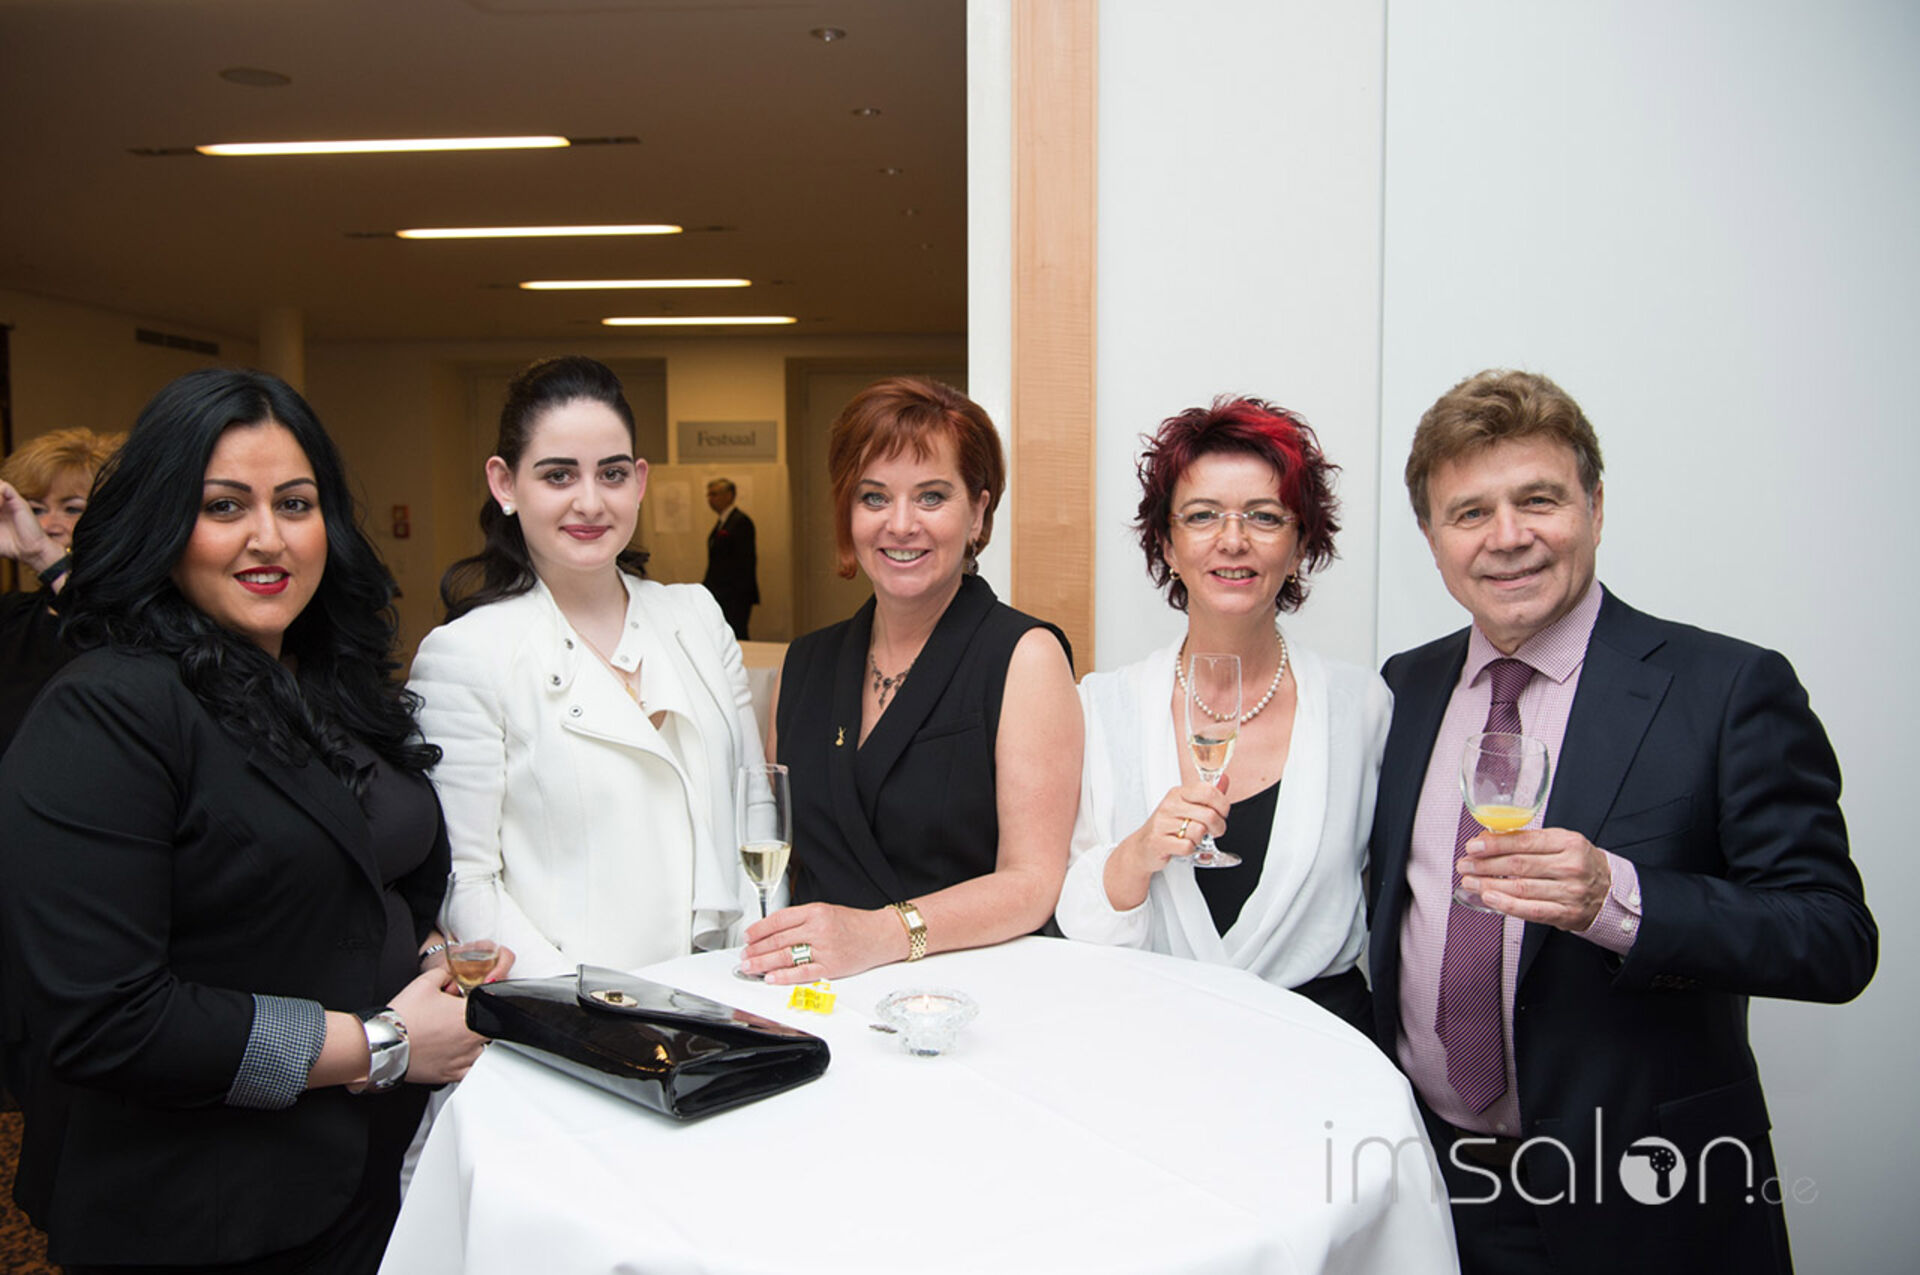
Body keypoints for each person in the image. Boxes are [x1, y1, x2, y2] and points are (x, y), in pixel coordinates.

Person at [1366, 369, 1876, 1274]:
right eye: (1470, 512)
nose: (1508, 536)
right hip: (1427, 1184)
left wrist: (1619, 898)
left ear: (1595, 508)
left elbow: (1833, 938)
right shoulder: (1403, 686)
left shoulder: (1727, 689)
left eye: (1539, 499)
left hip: (1647, 1195)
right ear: (1432, 539)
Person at [0, 368, 490, 1272]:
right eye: (224, 506)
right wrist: (381, 1043)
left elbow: (356, 873)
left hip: (374, 1175)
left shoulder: (331, 684)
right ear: (160, 524)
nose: (269, 537)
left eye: (294, 503)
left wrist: (427, 952)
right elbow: (111, 1018)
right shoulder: (107, 710)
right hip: (208, 1207)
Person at [410, 355, 763, 980]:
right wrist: (586, 1009)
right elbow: (467, 884)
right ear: (504, 484)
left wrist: (758, 968)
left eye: (612, 473)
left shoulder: (697, 617)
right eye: (558, 475)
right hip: (573, 1007)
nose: (591, 502)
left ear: (640, 481)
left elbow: (756, 806)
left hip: (729, 992)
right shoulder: (467, 655)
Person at [1057, 397, 1388, 1033]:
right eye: (1203, 515)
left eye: (1264, 516)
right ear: (1167, 544)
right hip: (1154, 1041)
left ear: (1300, 545)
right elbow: (1077, 918)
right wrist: (1138, 853)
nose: (1233, 540)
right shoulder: (1102, 705)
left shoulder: (1363, 707)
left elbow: (1395, 906)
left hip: (1320, 1045)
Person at [740, 376, 1082, 983]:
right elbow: (789, 861)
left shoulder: (1023, 656)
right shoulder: (804, 664)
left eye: (931, 497)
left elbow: (1033, 884)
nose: (900, 524)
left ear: (978, 512)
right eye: (874, 497)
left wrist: (879, 935)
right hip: (815, 1001)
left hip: (967, 998)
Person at [0, 427, 121, 756]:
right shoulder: (12, 616)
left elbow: (99, 628)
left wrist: (43, 555)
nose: (47, 525)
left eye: (72, 509)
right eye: (36, 510)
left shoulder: (137, 617)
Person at [703, 476, 758, 640]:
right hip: (721, 593)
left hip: (734, 596)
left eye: (714, 494)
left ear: (729, 495)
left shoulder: (740, 522)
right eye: (709, 495)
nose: (710, 499)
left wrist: (733, 594)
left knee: (736, 634)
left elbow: (745, 562)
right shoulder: (723, 523)